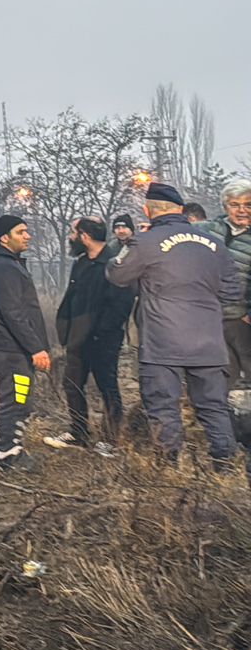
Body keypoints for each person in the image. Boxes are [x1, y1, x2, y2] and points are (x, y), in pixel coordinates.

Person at [106, 183, 243, 474]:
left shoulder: (145, 242)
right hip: (209, 342)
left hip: (163, 343)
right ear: (181, 210)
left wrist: (132, 245)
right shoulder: (214, 243)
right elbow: (233, 292)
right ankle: (225, 469)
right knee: (213, 407)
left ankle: (168, 473)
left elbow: (117, 274)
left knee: (163, 408)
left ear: (148, 210)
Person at [45, 218, 133, 456]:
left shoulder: (114, 265)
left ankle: (112, 441)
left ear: (84, 236)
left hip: (103, 340)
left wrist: (101, 332)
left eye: (74, 233)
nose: (71, 237)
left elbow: (122, 305)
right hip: (77, 339)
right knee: (71, 384)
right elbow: (73, 298)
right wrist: (66, 327)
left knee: (107, 387)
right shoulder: (81, 263)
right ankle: (78, 433)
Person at [0, 215, 51, 471]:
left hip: (14, 347)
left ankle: (11, 447)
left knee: (22, 398)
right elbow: (13, 313)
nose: (27, 236)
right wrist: (36, 348)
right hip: (10, 348)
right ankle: (6, 454)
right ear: (4, 238)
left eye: (27, 231)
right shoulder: (1, 268)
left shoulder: (6, 265)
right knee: (16, 399)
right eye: (21, 232)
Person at [200, 180, 251, 386]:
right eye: (235, 204)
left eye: (248, 205)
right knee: (222, 375)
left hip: (242, 318)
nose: (242, 210)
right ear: (225, 206)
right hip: (210, 317)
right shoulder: (208, 230)